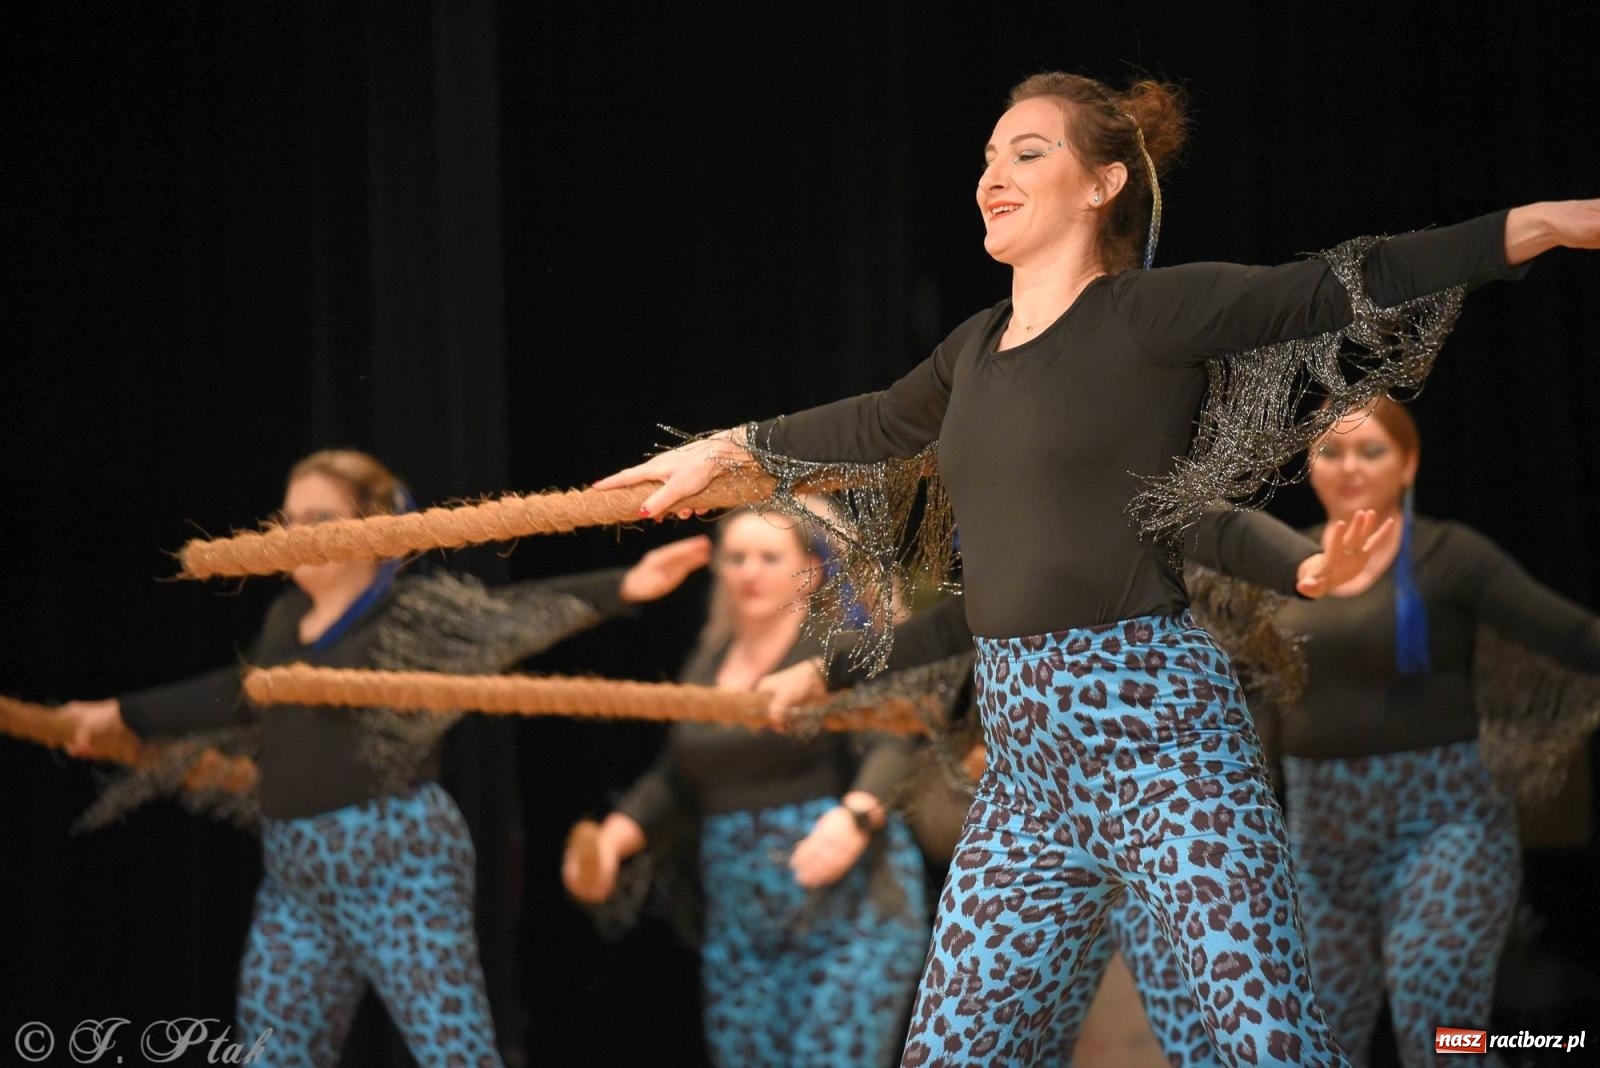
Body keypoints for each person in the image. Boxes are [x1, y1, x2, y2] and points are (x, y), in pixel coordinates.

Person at [593, 68, 1598, 1066]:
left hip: (1162, 750)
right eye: (986, 157)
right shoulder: (968, 352)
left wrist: (1541, 223)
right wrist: (730, 449)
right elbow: (876, 425)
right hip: (1027, 781)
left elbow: (1346, 282)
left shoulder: (1149, 315)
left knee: (1269, 1049)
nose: (992, 173)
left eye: (1027, 153)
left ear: (1105, 182)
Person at [57, 449, 709, 1068]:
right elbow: (239, 694)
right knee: (274, 1053)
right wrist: (119, 713)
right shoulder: (287, 616)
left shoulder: (409, 617)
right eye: (287, 519)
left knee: (453, 1052)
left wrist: (626, 584)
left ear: (374, 531)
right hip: (295, 871)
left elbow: (505, 615)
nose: (294, 534)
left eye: (320, 521)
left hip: (396, 861)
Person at [562, 505, 929, 1067]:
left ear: (809, 571)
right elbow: (679, 775)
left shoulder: (837, 651)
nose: (749, 571)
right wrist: (610, 841)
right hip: (741, 917)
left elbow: (893, 736)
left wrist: (855, 817)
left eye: (768, 556)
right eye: (736, 558)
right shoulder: (710, 660)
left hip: (848, 902)